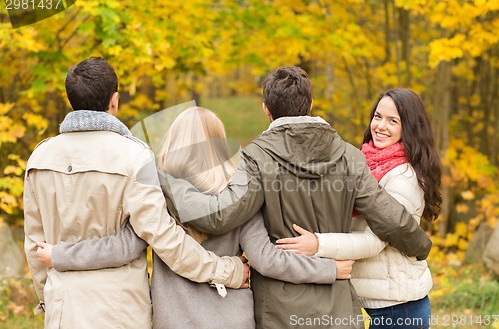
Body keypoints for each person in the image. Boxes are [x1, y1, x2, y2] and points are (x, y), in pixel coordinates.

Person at [36, 107, 354, 329]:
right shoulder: (242, 193)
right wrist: (328, 269)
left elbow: (124, 247)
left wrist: (60, 254)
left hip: (172, 320)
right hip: (232, 319)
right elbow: (267, 259)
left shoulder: (155, 191)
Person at [164, 66, 433, 328]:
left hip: (281, 311)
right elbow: (390, 218)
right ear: (311, 104)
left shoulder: (256, 158)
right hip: (335, 305)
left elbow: (220, 216)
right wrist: (421, 247)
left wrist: (164, 176)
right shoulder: (349, 155)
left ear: (266, 109)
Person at [23, 57, 249, 329]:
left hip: (62, 309)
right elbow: (165, 238)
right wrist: (227, 271)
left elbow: (35, 245)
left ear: (71, 99)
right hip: (121, 312)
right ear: (115, 100)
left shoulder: (40, 157)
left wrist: (49, 298)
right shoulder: (134, 157)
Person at [275, 88, 442, 329]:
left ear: (410, 128)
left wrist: (318, 244)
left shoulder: (403, 177)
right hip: (380, 301)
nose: (380, 126)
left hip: (400, 307)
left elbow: (374, 242)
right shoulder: (365, 162)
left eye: (393, 121)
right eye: (377, 116)